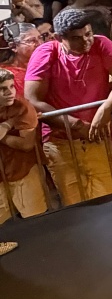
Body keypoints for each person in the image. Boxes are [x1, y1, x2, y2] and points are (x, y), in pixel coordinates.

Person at [24, 8, 112, 204]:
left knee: (108, 200)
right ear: (59, 37)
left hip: (97, 138)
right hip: (60, 142)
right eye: (76, 38)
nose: (86, 41)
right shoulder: (46, 52)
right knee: (76, 207)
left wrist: (105, 109)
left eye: (88, 34)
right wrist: (76, 125)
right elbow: (32, 99)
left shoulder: (101, 43)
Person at [0, 68, 47, 224]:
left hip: (23, 169)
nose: (10, 92)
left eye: (11, 86)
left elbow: (26, 144)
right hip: (2, 175)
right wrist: (9, 124)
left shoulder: (21, 106)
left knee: (36, 220)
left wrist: (4, 133)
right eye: (3, 89)